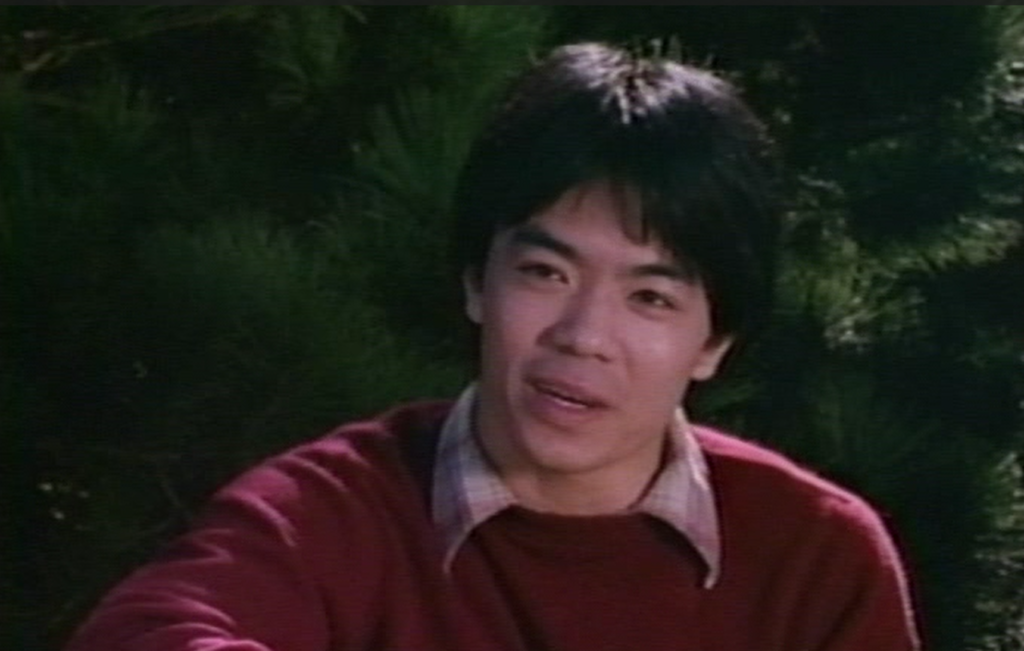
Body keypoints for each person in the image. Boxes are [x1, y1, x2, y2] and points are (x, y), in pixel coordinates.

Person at [64, 42, 921, 651]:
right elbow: (146, 631)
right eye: (546, 272)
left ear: (714, 341)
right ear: (477, 280)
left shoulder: (815, 555)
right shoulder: (335, 507)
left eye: (651, 297)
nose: (584, 336)